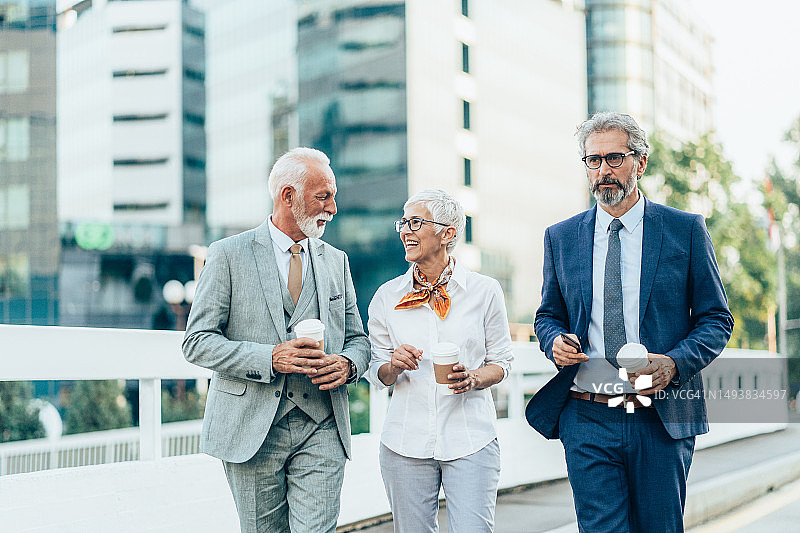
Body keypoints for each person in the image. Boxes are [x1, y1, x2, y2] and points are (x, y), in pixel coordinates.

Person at [526, 112, 734, 533]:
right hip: (587, 415)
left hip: (660, 415)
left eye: (614, 158)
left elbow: (716, 318)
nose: (603, 170)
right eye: (593, 160)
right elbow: (548, 315)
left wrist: (675, 363)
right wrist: (553, 341)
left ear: (639, 163)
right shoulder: (560, 237)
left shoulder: (685, 230)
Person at [182, 147, 370, 533]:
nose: (333, 208)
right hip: (251, 430)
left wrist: (349, 364)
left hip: (323, 424)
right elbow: (197, 341)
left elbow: (358, 340)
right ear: (288, 196)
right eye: (324, 197)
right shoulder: (227, 255)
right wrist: (269, 358)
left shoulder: (337, 260)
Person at [367, 189, 514, 533]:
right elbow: (376, 373)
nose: (405, 231)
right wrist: (393, 364)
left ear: (447, 233)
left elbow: (503, 361)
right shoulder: (387, 297)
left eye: (415, 222)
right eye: (403, 223)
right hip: (405, 443)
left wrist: (475, 378)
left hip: (471, 440)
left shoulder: (485, 290)